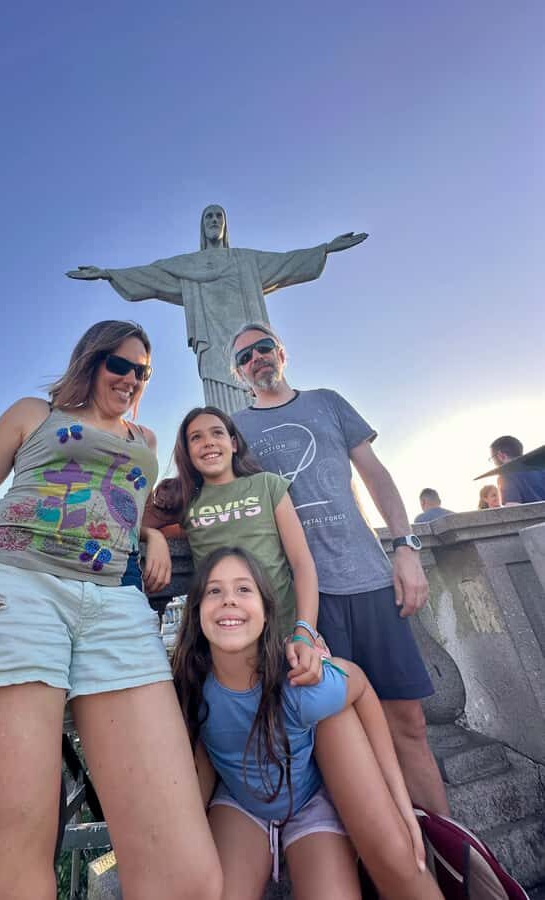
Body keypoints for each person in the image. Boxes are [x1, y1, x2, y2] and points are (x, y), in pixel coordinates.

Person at [0, 320, 221, 900]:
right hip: (12, 589)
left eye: (144, 372)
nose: (133, 379)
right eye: (121, 365)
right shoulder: (35, 414)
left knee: (188, 877)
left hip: (115, 606)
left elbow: (121, 507)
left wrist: (153, 535)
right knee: (7, 875)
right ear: (91, 360)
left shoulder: (148, 441)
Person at [229, 322, 450, 816]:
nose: (257, 359)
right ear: (239, 374)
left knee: (409, 724)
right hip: (307, 601)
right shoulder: (236, 428)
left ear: (281, 352)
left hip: (370, 581)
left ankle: (449, 863)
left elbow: (375, 473)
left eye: (264, 348)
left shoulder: (327, 401)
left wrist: (406, 547)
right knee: (339, 735)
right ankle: (383, 857)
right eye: (245, 357)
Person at [173, 546, 445, 900]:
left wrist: (398, 800)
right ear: (196, 612)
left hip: (309, 804)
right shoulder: (192, 683)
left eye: (244, 589)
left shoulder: (298, 681)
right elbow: (198, 752)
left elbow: (359, 684)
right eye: (214, 591)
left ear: (267, 613)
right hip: (241, 805)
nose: (229, 600)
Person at [67, 204, 367, 412]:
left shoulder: (245, 260)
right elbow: (152, 275)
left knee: (259, 385)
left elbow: (286, 262)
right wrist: (108, 273)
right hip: (212, 346)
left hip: (249, 342)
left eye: (218, 217)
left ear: (225, 225)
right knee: (225, 411)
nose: (213, 221)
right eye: (208, 217)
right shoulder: (187, 266)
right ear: (202, 226)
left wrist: (325, 249)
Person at [147, 405, 322, 684]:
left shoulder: (267, 485)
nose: (208, 442)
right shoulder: (185, 500)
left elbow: (302, 564)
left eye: (217, 433)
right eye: (196, 437)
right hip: (226, 643)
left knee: (318, 709)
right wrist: (154, 537)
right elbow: (128, 525)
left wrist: (305, 631)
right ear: (187, 451)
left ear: (234, 443)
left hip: (285, 637)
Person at [489, 435, 545, 505]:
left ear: (501, 455)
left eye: (492, 458)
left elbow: (512, 510)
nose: (494, 463)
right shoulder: (541, 469)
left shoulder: (506, 475)